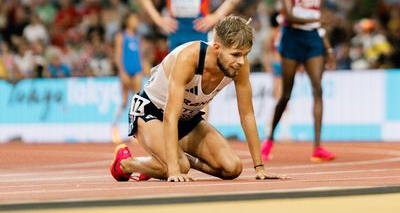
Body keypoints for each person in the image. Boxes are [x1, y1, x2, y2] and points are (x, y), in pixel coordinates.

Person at [110, 16, 284, 182]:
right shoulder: (188, 58)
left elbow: (247, 115)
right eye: (236, 54)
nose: (241, 61)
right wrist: (173, 170)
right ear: (217, 48)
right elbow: (170, 115)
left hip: (186, 118)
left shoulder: (240, 66)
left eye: (245, 54)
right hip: (151, 113)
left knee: (232, 167)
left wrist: (259, 167)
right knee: (179, 166)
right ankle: (126, 164)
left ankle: (166, 161)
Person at [261, 0, 336, 163]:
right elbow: (291, 15)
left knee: (317, 89)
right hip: (292, 38)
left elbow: (319, 23)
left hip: (313, 39)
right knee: (285, 94)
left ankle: (317, 147)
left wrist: (328, 46)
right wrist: (317, 17)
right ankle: (269, 138)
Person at [111, 12, 143, 143]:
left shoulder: (137, 37)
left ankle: (135, 132)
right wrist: (122, 72)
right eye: (134, 19)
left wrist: (141, 69)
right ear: (127, 21)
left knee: (136, 101)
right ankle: (114, 125)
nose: (136, 22)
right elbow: (118, 56)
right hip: (126, 71)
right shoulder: (121, 36)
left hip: (136, 71)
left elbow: (139, 55)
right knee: (124, 102)